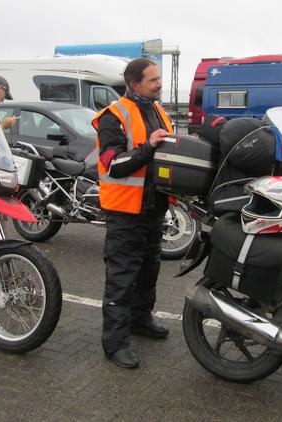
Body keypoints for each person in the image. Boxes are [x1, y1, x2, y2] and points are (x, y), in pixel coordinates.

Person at [92, 58, 174, 369]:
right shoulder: (113, 116)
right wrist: (148, 148)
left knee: (148, 270)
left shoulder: (159, 112)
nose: (159, 84)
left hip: (154, 207)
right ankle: (114, 343)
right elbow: (113, 163)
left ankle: (141, 320)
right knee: (122, 277)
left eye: (159, 79)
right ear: (135, 83)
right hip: (125, 211)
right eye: (153, 80)